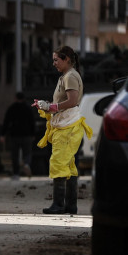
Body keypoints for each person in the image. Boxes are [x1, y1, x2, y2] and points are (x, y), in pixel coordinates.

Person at [32, 45, 93, 214]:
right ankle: (70, 205)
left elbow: (72, 101)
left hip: (68, 128)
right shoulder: (67, 76)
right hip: (67, 126)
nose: (54, 63)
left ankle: (58, 205)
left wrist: (51, 106)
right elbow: (63, 103)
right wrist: (46, 106)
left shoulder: (70, 76)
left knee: (58, 163)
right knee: (69, 165)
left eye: (56, 60)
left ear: (66, 59)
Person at [2, 92, 36, 179]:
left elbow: (6, 122)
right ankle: (27, 164)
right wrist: (33, 134)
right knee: (27, 152)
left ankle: (16, 174)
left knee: (15, 155)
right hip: (27, 135)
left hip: (15, 135)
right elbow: (32, 122)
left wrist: (3, 135)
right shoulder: (28, 108)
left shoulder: (12, 108)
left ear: (15, 98)